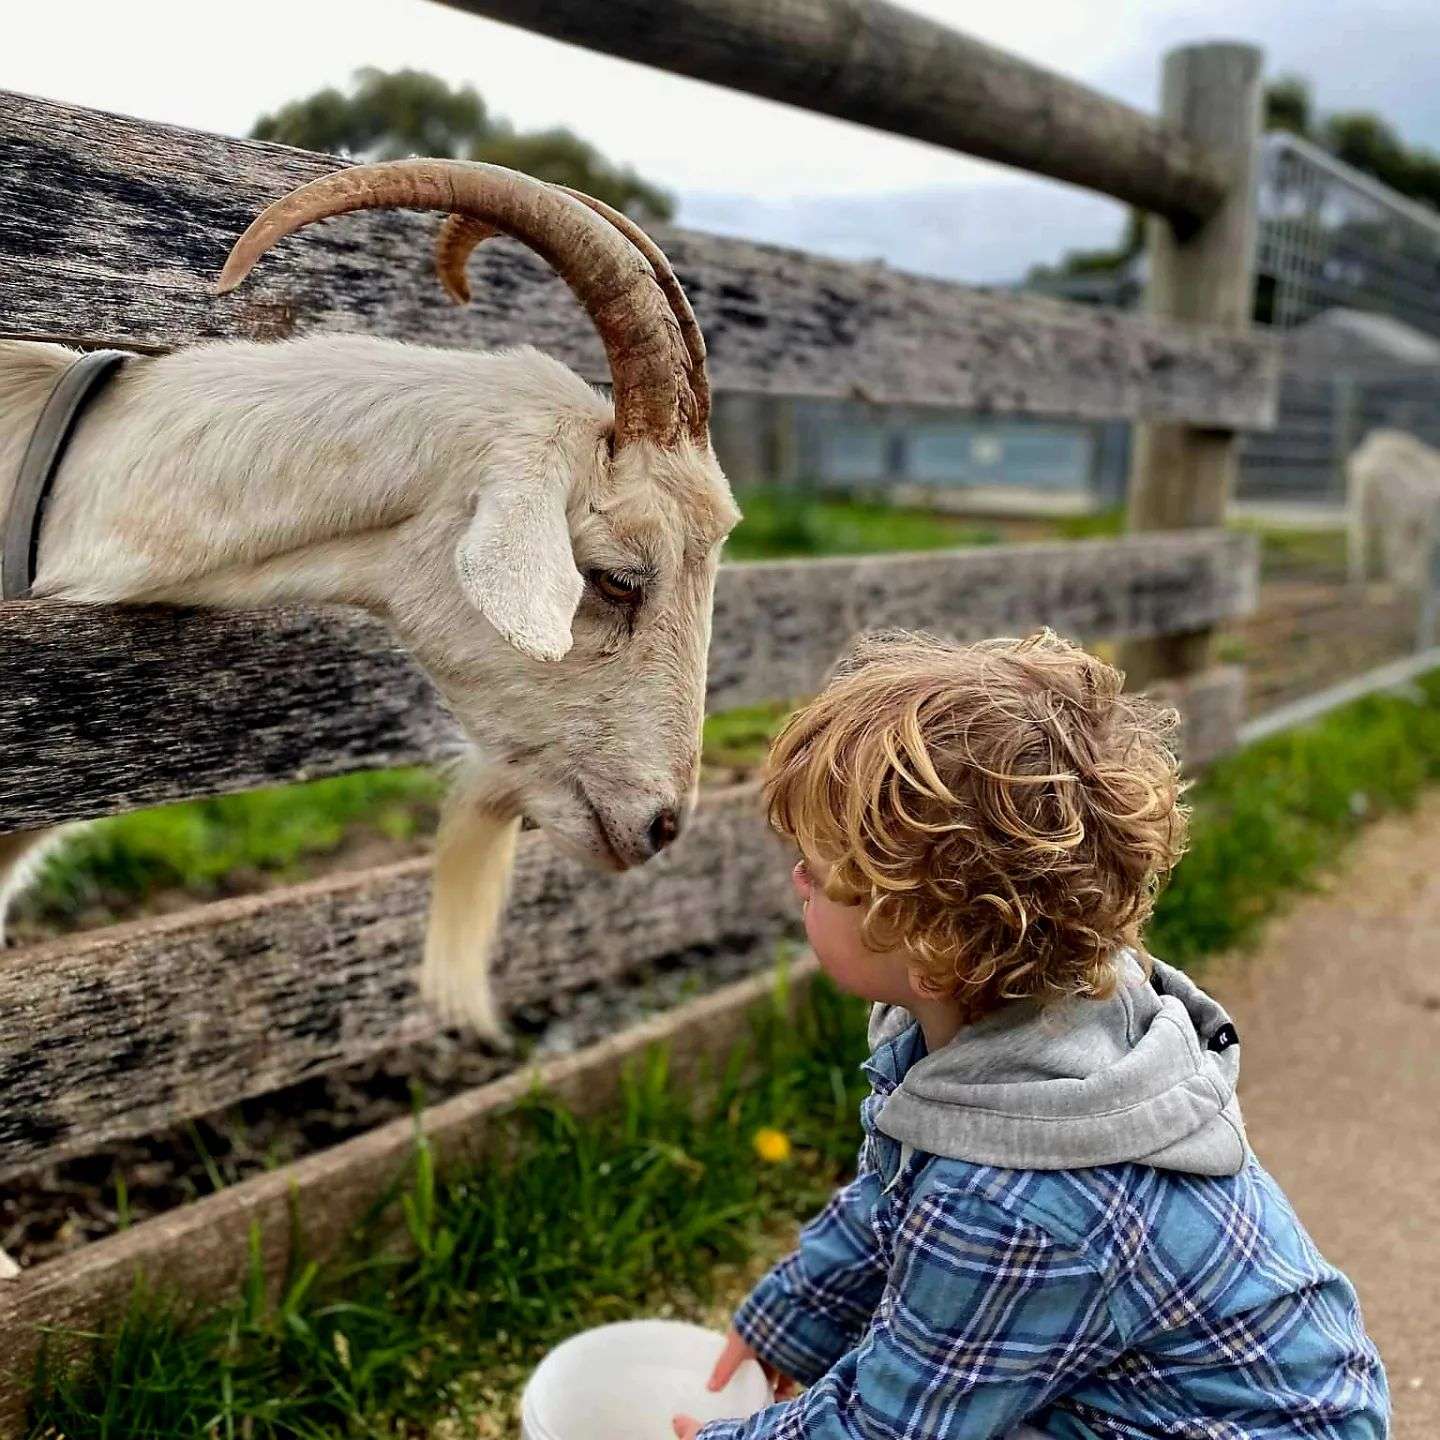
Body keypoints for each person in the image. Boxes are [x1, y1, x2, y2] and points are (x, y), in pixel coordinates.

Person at [674, 630, 1387, 1440]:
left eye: (823, 873)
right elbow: (885, 1194)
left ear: (936, 947)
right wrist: (793, 1313)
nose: (798, 878)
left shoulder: (1008, 1200)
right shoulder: (995, 1025)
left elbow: (892, 1428)